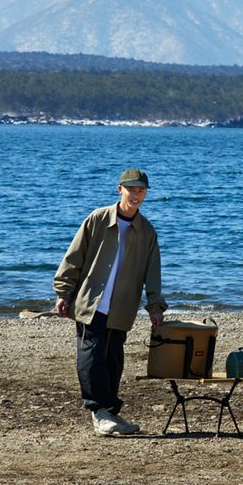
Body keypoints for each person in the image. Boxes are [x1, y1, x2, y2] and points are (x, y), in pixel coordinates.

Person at [53, 168, 167, 437]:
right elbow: (74, 257)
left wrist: (154, 307)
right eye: (132, 189)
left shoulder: (147, 231)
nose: (137, 195)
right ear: (120, 189)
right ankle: (100, 412)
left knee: (113, 361)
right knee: (91, 358)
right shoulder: (97, 219)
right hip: (91, 304)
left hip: (122, 307)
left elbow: (153, 272)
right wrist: (63, 292)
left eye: (141, 190)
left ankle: (110, 414)